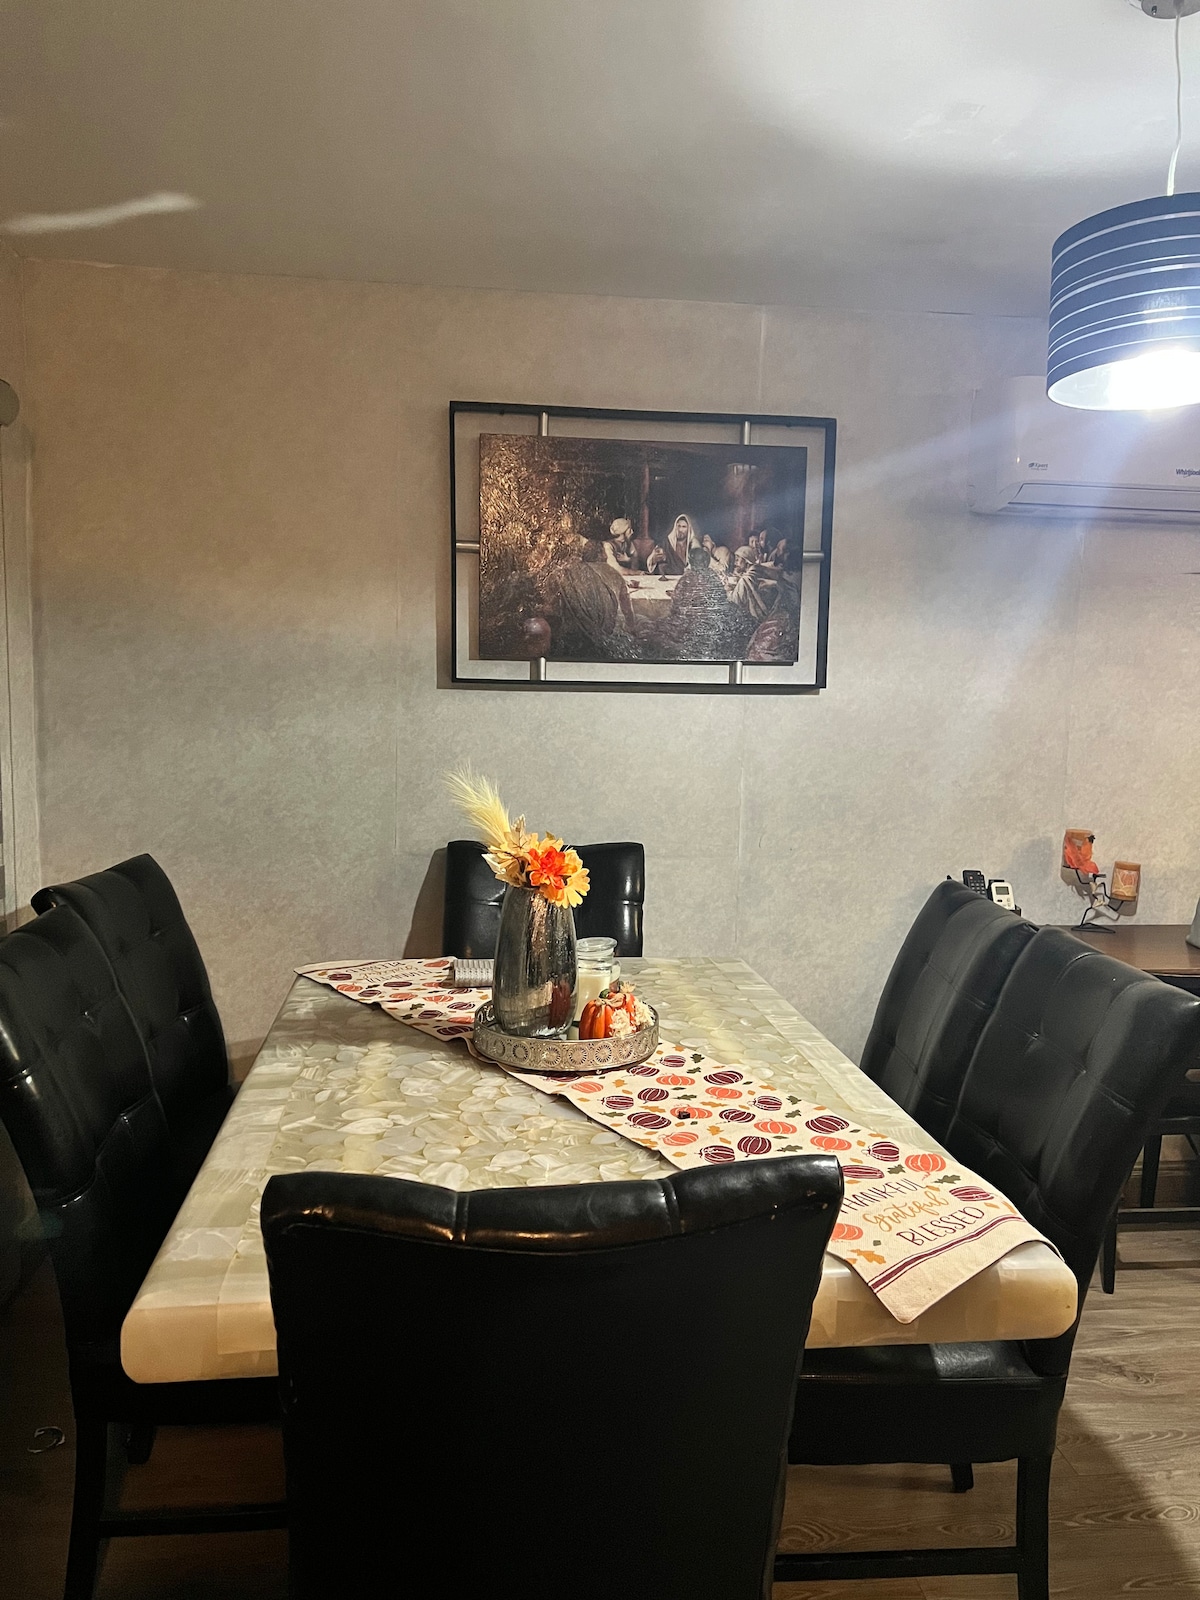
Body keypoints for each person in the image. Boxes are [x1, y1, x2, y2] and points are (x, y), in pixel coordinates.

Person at [543, 539, 638, 659]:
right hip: (606, 631)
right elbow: (627, 609)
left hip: (576, 635)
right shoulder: (612, 572)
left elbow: (554, 607)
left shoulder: (569, 573)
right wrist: (632, 629)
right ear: (602, 553)